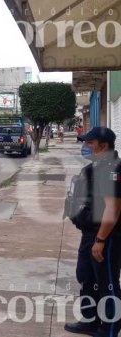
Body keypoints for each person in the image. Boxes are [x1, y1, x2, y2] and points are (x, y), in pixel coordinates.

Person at [64, 127, 121, 337]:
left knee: (107, 283)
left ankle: (109, 329)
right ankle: (90, 320)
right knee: (87, 277)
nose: (85, 146)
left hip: (105, 236)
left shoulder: (110, 169)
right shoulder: (97, 166)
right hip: (90, 233)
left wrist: (100, 239)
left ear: (103, 146)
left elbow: (112, 208)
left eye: (90, 143)